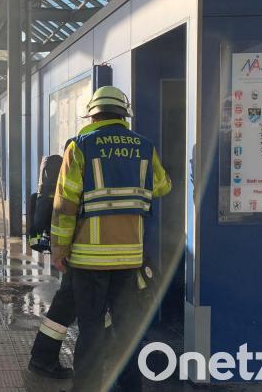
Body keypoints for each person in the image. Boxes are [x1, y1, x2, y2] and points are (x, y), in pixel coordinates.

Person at [49, 86, 171, 392]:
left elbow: (65, 205)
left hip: (89, 259)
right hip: (130, 257)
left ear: (93, 113)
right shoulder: (144, 147)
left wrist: (58, 250)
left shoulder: (80, 146)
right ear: (123, 114)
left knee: (91, 330)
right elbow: (162, 186)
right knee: (126, 329)